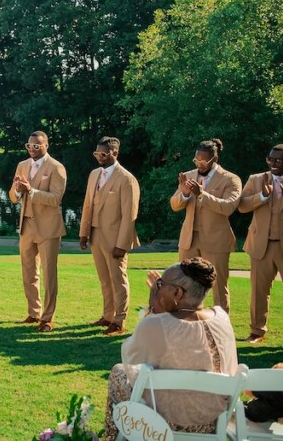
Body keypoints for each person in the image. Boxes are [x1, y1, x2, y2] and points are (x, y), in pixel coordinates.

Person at [101, 258, 239, 440]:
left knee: (118, 372)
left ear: (176, 292)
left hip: (165, 421)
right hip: (213, 420)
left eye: (160, 285)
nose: (157, 289)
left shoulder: (155, 324)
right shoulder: (221, 316)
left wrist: (153, 307)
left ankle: (112, 437)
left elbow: (131, 361)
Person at [238, 143, 283, 352]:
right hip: (261, 246)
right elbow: (241, 205)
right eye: (270, 159)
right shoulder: (256, 179)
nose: (273, 163)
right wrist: (262, 197)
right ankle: (256, 332)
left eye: (278, 160)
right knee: (258, 293)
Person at [169, 138, 242, 312]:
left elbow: (228, 207)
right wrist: (185, 194)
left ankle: (220, 326)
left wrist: (202, 194)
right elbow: (174, 204)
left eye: (203, 160)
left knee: (218, 285)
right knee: (185, 282)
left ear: (214, 159)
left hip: (216, 240)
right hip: (189, 239)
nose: (199, 164)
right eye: (196, 160)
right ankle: (188, 320)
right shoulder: (188, 175)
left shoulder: (231, 179)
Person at [79, 136, 140, 336]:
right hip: (95, 235)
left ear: (115, 153)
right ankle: (107, 315)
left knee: (118, 279)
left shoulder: (126, 179)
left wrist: (122, 244)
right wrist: (83, 233)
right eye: (97, 153)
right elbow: (88, 205)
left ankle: (119, 320)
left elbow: (129, 215)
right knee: (104, 279)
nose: (99, 157)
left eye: (103, 154)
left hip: (115, 239)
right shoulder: (94, 174)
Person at [8, 130, 66, 332]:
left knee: (49, 274)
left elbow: (55, 199)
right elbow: (13, 197)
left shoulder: (56, 167)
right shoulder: (22, 165)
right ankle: (34, 313)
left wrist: (31, 191)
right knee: (28, 272)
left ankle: (47, 318)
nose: (32, 149)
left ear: (46, 146)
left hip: (48, 226)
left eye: (37, 146)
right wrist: (17, 190)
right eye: (29, 146)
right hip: (26, 225)